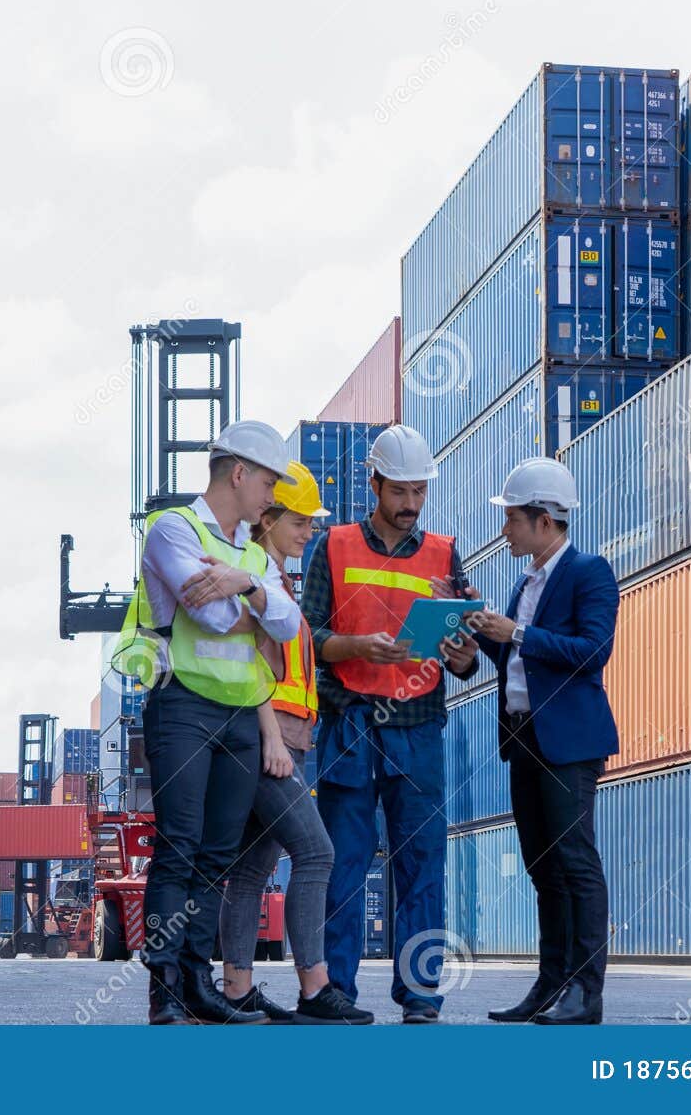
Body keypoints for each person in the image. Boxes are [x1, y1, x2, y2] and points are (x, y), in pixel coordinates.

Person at [115, 419, 303, 1025]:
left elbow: (291, 627)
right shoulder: (173, 528)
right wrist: (256, 601)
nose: (273, 496)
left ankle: (200, 985)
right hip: (184, 708)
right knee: (179, 848)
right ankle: (165, 991)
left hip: (241, 716)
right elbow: (217, 617)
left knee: (216, 855)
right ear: (239, 473)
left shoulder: (251, 554)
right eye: (269, 482)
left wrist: (244, 581)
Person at [301, 423, 480, 1024]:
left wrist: (463, 655)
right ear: (373, 484)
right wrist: (356, 646)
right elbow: (305, 639)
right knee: (343, 864)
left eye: (420, 493)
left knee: (423, 863)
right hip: (350, 723)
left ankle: (422, 995)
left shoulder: (444, 553)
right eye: (400, 491)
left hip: (420, 725)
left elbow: (461, 655)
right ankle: (337, 992)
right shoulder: (330, 546)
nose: (410, 505)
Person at [217, 461, 374, 1025]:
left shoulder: (279, 581)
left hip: (293, 735)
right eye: (301, 520)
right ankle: (315, 988)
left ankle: (236, 989)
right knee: (317, 852)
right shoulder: (259, 577)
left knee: (254, 866)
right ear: (270, 517)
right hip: (271, 737)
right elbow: (247, 666)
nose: (310, 531)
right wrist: (271, 742)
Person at [465, 457, 618, 1026]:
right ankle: (551, 984)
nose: (504, 529)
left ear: (544, 519)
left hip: (568, 744)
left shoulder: (589, 572)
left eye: (511, 519)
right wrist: (483, 631)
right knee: (543, 867)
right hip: (523, 738)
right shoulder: (523, 583)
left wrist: (518, 633)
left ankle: (586, 993)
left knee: (576, 864)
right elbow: (514, 658)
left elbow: (592, 651)